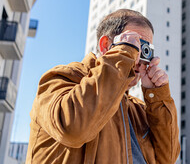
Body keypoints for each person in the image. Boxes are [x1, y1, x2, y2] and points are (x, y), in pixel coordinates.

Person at [26, 9, 180, 164]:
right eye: (136, 45)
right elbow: (73, 129)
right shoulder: (60, 80)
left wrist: (157, 96)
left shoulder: (139, 109)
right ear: (106, 45)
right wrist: (123, 57)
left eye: (145, 50)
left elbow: (168, 158)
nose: (139, 57)